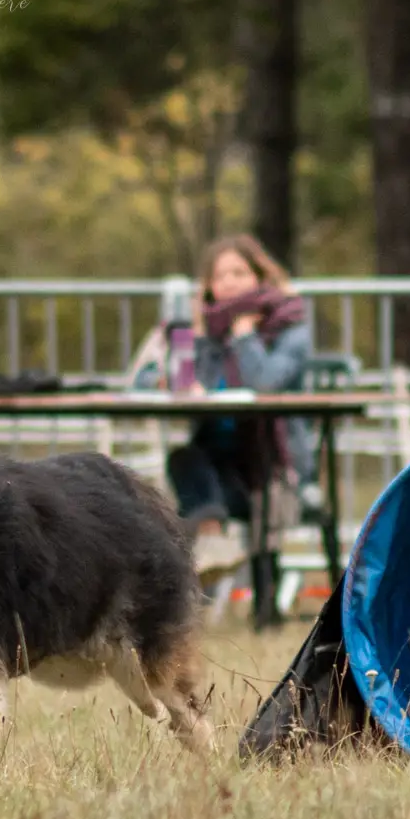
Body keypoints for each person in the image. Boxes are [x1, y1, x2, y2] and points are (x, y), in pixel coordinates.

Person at [162, 233, 324, 594]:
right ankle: (213, 540)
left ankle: (255, 591)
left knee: (252, 474)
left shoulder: (289, 327)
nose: (229, 282)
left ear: (260, 276)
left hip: (275, 465)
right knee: (184, 458)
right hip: (219, 464)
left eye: (238, 272)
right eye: (219, 277)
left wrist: (244, 334)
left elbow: (265, 383)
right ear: (208, 287)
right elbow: (176, 382)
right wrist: (178, 375)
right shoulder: (200, 331)